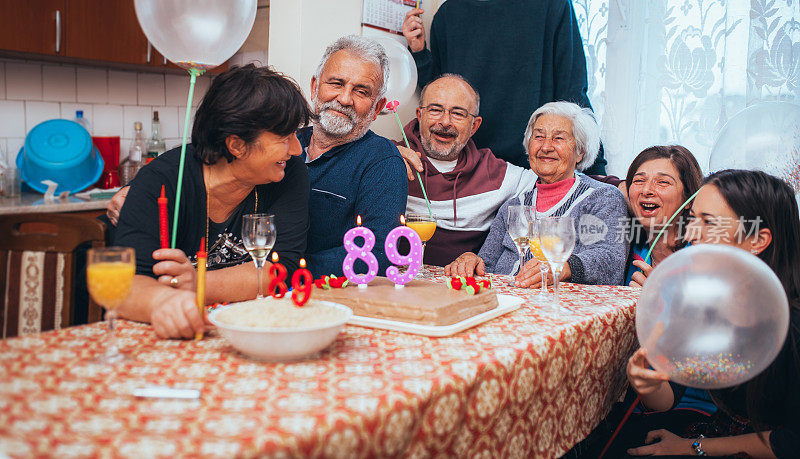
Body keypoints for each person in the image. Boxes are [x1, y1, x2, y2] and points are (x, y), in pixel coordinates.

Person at [108, 36, 409, 279]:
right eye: (336, 83)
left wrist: (284, 270)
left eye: (361, 91)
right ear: (316, 86)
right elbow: (204, 158)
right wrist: (138, 192)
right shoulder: (281, 140)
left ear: (377, 105)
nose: (344, 98)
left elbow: (381, 252)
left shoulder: (379, 160)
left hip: (302, 293)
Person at [590, 170, 800, 457]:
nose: (689, 234)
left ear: (757, 239)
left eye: (709, 222)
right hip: (717, 433)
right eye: (692, 218)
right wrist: (648, 384)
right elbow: (668, 399)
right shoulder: (702, 302)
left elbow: (792, 441)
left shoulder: (794, 324)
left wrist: (693, 447)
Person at [113, 64, 312, 339]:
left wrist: (198, 283)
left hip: (250, 331)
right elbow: (123, 286)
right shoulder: (163, 180)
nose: (297, 149)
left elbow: (280, 270)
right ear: (237, 145)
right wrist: (162, 301)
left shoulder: (289, 173)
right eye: (284, 138)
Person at [402, 0, 607, 174]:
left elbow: (572, 94)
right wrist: (419, 52)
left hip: (533, 172)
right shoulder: (447, 14)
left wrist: (597, 171)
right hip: (468, 174)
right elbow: (442, 92)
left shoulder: (553, 5)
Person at [445, 101, 627, 287]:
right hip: (505, 302)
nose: (546, 147)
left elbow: (610, 260)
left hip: (561, 309)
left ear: (579, 151)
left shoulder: (602, 198)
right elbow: (487, 264)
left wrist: (564, 267)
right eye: (539, 137)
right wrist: (473, 260)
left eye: (558, 138)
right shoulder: (513, 206)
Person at [398, 73, 537, 266]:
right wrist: (379, 154)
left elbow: (555, 180)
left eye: (458, 113)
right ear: (420, 116)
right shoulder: (390, 157)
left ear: (474, 126)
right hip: (395, 285)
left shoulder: (496, 173)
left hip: (459, 288)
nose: (445, 122)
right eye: (436, 110)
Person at [624, 146, 703, 287]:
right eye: (639, 181)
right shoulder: (623, 247)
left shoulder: (702, 255)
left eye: (663, 182)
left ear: (689, 200)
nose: (646, 190)